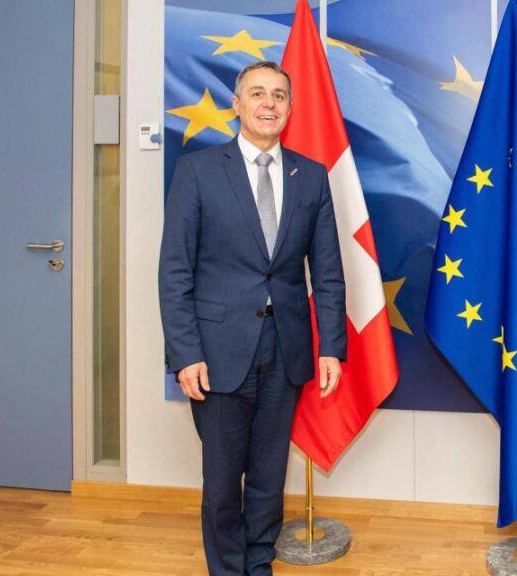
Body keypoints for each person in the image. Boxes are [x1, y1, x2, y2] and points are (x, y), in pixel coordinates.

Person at [159, 60, 346, 576]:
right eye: (258, 94)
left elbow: (327, 271)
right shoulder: (198, 170)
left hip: (285, 351)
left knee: (268, 475)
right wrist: (185, 353)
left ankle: (259, 564)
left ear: (289, 107)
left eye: (280, 95)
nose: (269, 103)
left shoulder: (310, 176)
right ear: (236, 105)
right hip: (217, 353)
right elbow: (174, 271)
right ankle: (227, 569)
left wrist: (330, 345)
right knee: (222, 481)